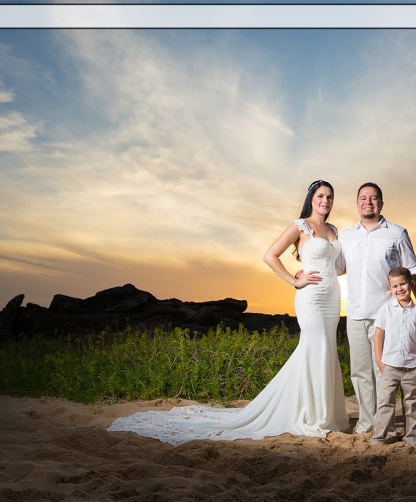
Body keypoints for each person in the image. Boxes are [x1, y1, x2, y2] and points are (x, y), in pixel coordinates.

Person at [107, 180, 349, 444]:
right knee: (315, 345)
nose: (325, 201)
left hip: (332, 297)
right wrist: (294, 280)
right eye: (320, 196)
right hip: (311, 298)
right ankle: (311, 413)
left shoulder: (333, 230)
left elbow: (337, 267)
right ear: (311, 198)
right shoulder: (300, 226)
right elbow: (270, 256)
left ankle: (324, 413)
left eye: (329, 197)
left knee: (326, 348)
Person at [340, 182, 416, 435]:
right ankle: (367, 422)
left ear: (381, 203)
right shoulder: (346, 236)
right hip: (355, 313)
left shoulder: (397, 233)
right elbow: (335, 267)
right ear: (357, 203)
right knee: (360, 372)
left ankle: (386, 425)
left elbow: (414, 269)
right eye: (363, 198)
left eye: (373, 198)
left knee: (385, 372)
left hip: (387, 315)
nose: (368, 202)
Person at [372, 267, 416, 446]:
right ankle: (379, 436)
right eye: (395, 286)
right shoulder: (386, 310)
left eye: (403, 284)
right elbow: (378, 337)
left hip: (412, 366)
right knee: (385, 402)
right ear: (390, 288)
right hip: (390, 365)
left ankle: (411, 437)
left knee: (410, 403)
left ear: (411, 284)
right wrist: (380, 362)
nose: (399, 289)